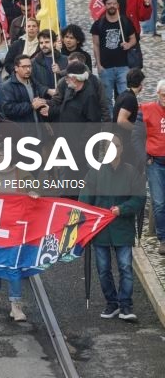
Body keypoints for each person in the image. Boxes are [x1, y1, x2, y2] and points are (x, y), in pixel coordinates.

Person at [79, 135, 145, 321]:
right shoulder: (95, 172)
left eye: (117, 145)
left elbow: (139, 199)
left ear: (122, 148)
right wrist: (84, 226)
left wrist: (122, 209)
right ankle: (112, 303)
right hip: (101, 230)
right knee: (103, 269)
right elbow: (85, 200)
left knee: (125, 267)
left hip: (122, 228)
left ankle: (126, 305)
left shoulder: (131, 172)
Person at [0, 142, 37, 322]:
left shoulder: (23, 174)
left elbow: (36, 191)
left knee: (13, 266)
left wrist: (34, 194)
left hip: (15, 228)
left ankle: (15, 304)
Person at [90, 0, 137, 114]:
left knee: (124, 97)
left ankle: (122, 120)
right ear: (105, 5)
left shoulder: (125, 21)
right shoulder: (98, 24)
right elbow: (95, 44)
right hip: (105, 67)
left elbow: (133, 39)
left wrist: (128, 44)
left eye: (114, 3)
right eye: (109, 3)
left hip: (123, 66)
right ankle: (110, 123)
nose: (111, 6)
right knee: (106, 99)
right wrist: (98, 64)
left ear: (118, 5)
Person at [135, 80, 165, 255]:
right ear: (158, 94)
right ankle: (163, 238)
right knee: (159, 202)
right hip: (155, 163)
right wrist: (144, 157)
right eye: (163, 95)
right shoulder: (146, 110)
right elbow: (136, 136)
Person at [0, 54, 49, 136]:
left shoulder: (33, 82)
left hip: (37, 129)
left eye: (30, 66)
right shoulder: (7, 87)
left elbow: (37, 105)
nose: (28, 69)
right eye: (24, 67)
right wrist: (31, 106)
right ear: (16, 68)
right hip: (21, 132)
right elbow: (7, 110)